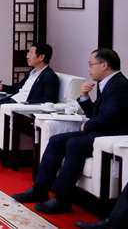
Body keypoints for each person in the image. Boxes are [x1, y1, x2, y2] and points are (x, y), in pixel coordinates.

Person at [13, 48, 128, 214]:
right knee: (56, 140)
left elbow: (109, 118)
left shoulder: (120, 86)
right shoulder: (107, 83)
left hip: (111, 135)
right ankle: (39, 189)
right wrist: (85, 97)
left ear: (104, 65)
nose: (89, 69)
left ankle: (62, 200)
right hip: (101, 130)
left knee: (75, 144)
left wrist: (87, 126)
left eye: (91, 65)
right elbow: (95, 114)